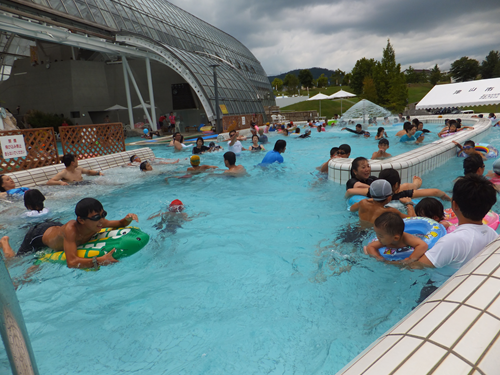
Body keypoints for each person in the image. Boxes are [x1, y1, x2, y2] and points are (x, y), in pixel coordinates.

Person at [407, 175, 498, 300]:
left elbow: (414, 265)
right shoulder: (493, 235)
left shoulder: (452, 241)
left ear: (454, 205)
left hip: (439, 289)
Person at [0, 197, 138, 268]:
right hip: (38, 235)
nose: (102, 220)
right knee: (15, 262)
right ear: (82, 220)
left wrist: (128, 218)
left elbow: (120, 223)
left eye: (103, 214)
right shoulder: (72, 231)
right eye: (96, 217)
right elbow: (71, 262)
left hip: (56, 227)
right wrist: (100, 260)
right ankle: (4, 242)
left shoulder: (99, 222)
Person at [363, 212, 428, 264]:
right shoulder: (384, 241)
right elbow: (371, 247)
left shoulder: (407, 239)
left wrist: (411, 258)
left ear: (396, 238)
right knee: (367, 251)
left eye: (380, 235)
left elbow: (423, 245)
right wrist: (377, 257)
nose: (377, 237)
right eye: (376, 233)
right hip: (391, 254)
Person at [349, 179, 416, 227]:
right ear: (389, 198)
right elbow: (411, 219)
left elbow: (352, 209)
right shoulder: (390, 211)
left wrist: (371, 200)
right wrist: (409, 203)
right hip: (370, 235)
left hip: (356, 229)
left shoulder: (362, 203)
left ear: (372, 195)